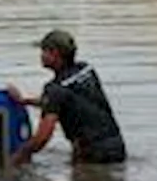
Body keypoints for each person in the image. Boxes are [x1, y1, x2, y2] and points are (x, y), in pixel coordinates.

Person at [7, 29, 126, 166]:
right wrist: (24, 101)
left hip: (91, 154)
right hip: (116, 147)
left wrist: (18, 157)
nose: (41, 56)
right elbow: (67, 101)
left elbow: (42, 138)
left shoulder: (55, 89)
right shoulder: (86, 70)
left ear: (55, 53)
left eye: (44, 51)